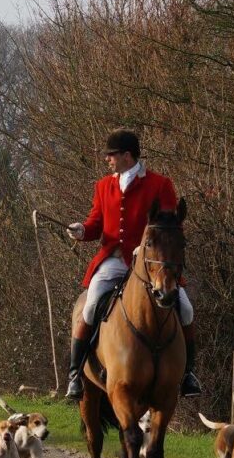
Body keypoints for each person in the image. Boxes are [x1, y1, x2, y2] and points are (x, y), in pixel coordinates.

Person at [65, 128, 201, 399]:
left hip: (152, 263)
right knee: (90, 305)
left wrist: (148, 248)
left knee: (185, 309)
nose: (107, 160)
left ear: (127, 155)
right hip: (115, 260)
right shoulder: (104, 186)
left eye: (111, 155)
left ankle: (188, 375)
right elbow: (96, 223)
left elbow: (169, 224)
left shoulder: (160, 184)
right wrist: (82, 230)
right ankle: (75, 374)